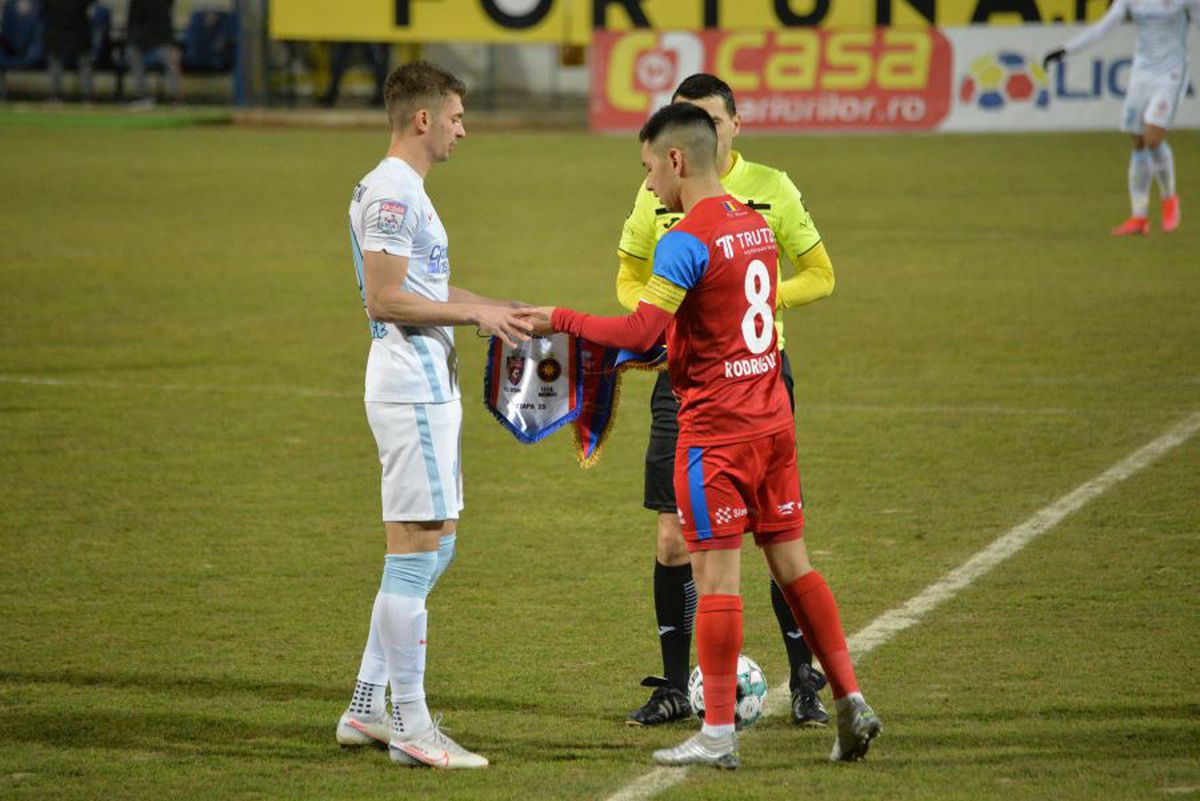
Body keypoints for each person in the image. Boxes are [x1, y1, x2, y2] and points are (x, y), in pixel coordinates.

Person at [528, 103, 880, 768]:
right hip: (773, 420)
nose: (649, 183)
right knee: (795, 566)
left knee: (716, 579)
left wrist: (560, 316)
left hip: (716, 434)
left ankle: (717, 731)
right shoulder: (753, 224)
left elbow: (641, 333)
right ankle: (850, 698)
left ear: (677, 159)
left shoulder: (684, 238)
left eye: (649, 168)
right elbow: (719, 319)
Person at [616, 73, 835, 728]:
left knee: (775, 537)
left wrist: (759, 303)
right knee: (672, 532)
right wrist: (657, 317)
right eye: (690, 119)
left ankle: (805, 678)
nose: (702, 130)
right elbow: (629, 275)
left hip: (760, 374)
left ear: (734, 125)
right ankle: (675, 684)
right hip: (684, 376)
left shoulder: (771, 189)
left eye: (712, 119)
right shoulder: (657, 187)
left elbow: (821, 273)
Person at [335, 60, 534, 770]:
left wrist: (494, 308)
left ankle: (367, 705)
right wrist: (470, 312)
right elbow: (386, 297)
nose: (462, 129)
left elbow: (426, 282)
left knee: (431, 546)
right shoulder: (392, 191)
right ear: (422, 119)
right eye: (454, 117)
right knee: (415, 555)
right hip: (410, 388)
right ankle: (414, 727)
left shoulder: (402, 189)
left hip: (424, 386)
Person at [1044, 0, 1199, 235]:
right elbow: (1103, 27)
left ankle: (1169, 199)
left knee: (1153, 139)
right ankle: (1139, 217)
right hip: (1141, 72)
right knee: (1138, 142)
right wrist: (1066, 49)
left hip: (1171, 72)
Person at [126, 0, 181, 108]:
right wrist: (134, 37)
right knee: (132, 53)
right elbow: (132, 20)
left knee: (171, 60)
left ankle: (176, 99)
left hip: (162, 36)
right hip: (141, 37)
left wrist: (172, 43)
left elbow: (166, 18)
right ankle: (142, 97)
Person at [42, 0, 94, 103]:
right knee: (55, 61)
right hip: (59, 29)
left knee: (84, 62)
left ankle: (87, 96)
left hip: (78, 30)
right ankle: (55, 95)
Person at [320, 42, 390, 107]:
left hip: (357, 31)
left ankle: (331, 94)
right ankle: (382, 95)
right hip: (360, 31)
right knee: (375, 59)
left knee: (340, 57)